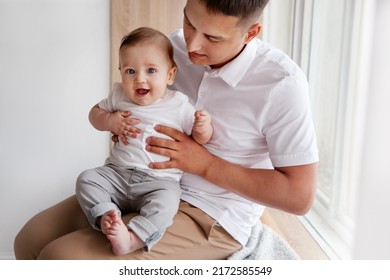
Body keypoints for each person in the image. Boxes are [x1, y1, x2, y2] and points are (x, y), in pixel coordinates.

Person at [14, 0, 318, 260]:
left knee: (59, 258)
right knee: (28, 241)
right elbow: (133, 102)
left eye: (212, 37)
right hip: (136, 181)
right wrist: (119, 123)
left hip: (210, 213)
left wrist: (204, 163)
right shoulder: (172, 49)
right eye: (189, 22)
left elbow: (299, 197)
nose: (193, 45)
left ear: (251, 33)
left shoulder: (281, 83)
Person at [76, 27, 213, 256]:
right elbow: (93, 115)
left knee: (168, 203)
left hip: (159, 182)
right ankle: (107, 217)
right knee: (87, 179)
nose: (140, 78)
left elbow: (200, 139)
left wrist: (202, 127)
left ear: (169, 75)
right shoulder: (118, 96)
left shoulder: (178, 105)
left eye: (151, 70)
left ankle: (133, 239)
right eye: (130, 71)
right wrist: (109, 121)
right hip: (117, 174)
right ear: (120, 72)